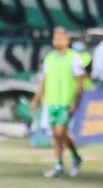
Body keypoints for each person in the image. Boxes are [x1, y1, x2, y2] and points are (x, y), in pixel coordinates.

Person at [30, 27, 85, 178]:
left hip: (66, 102)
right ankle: (60, 164)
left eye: (60, 38)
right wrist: (36, 100)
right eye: (55, 39)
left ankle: (71, 158)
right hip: (51, 102)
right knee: (56, 135)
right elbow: (44, 80)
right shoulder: (50, 58)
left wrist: (75, 101)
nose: (57, 41)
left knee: (60, 132)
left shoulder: (74, 58)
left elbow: (80, 82)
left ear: (67, 40)